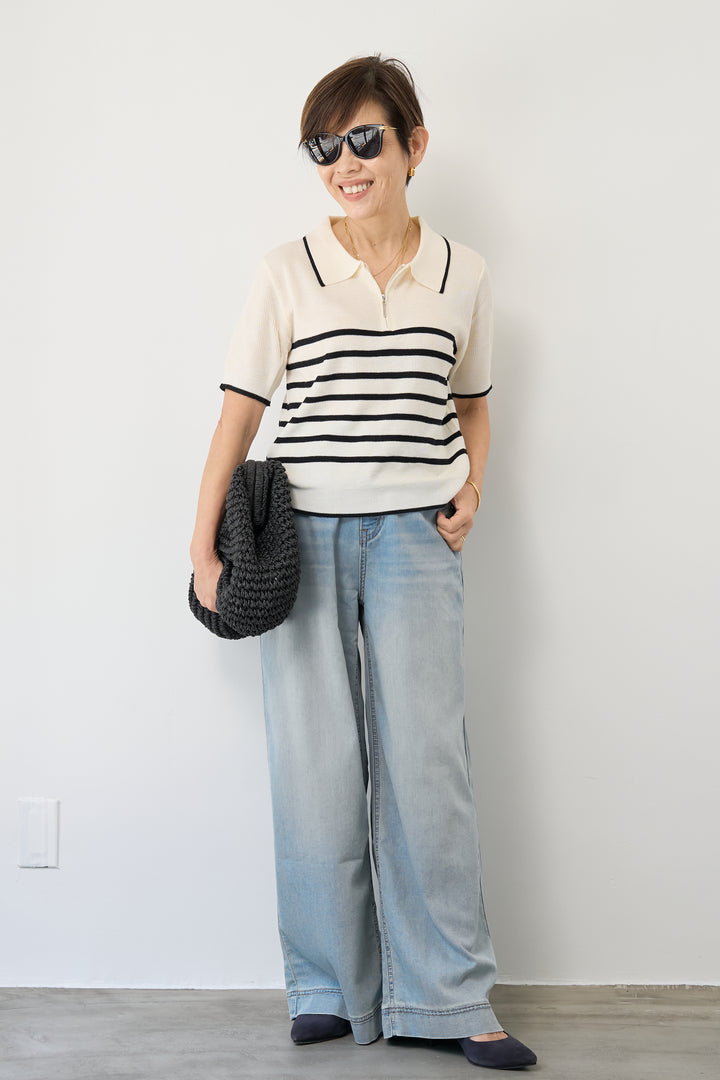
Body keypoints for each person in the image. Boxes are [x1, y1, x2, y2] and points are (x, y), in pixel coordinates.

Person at [189, 55, 538, 1071]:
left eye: (365, 140)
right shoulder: (285, 271)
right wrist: (200, 545)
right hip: (303, 535)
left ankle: (452, 999)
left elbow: (473, 400)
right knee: (314, 766)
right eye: (324, 146)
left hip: (419, 540)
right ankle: (329, 990)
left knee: (430, 768)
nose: (345, 163)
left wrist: (475, 487)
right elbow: (239, 415)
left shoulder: (464, 274)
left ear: (413, 146)